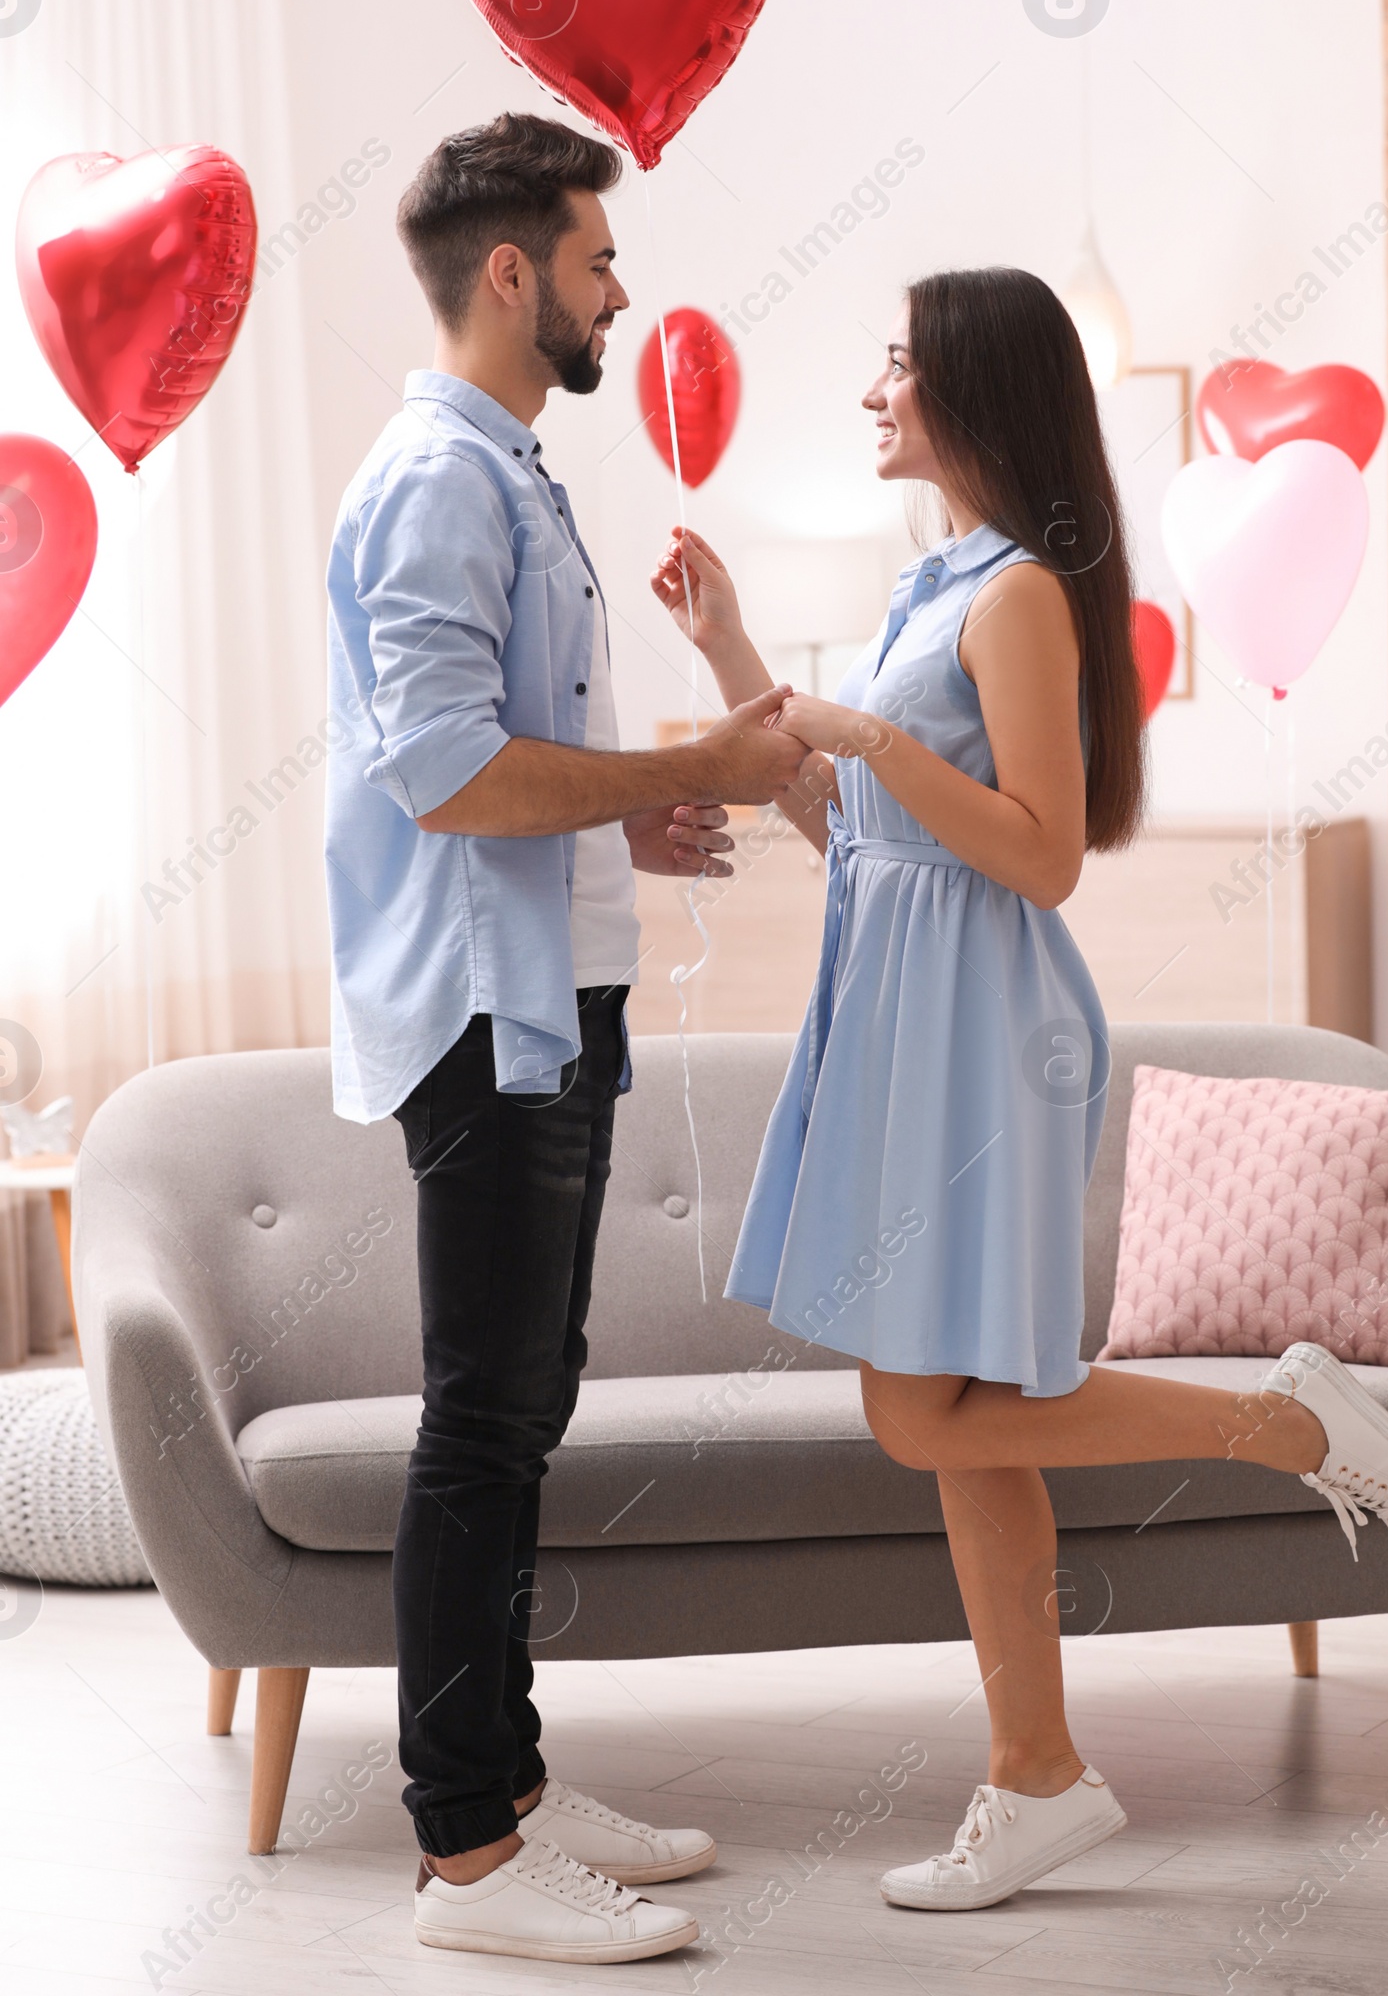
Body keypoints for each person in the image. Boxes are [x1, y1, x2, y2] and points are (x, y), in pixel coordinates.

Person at [651, 265, 1388, 1914]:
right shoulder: (929, 587)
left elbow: (1041, 853)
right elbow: (856, 842)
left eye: (895, 363)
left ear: (967, 387)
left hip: (983, 1033)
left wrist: (872, 747)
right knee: (956, 1426)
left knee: (928, 1403)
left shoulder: (1015, 595)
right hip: (903, 1018)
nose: (873, 390)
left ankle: (1291, 1423)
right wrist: (734, 645)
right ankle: (1034, 1775)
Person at [324, 111, 807, 1964]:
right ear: (515, 273)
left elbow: (502, 757)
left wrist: (629, 819)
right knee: (484, 1420)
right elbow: (441, 772)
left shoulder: (509, 469)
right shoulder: (441, 478)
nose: (625, 292)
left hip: (552, 995)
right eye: (603, 261)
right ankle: (464, 1856)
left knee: (523, 1407)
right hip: (487, 1020)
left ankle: (507, 1785)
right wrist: (694, 761)